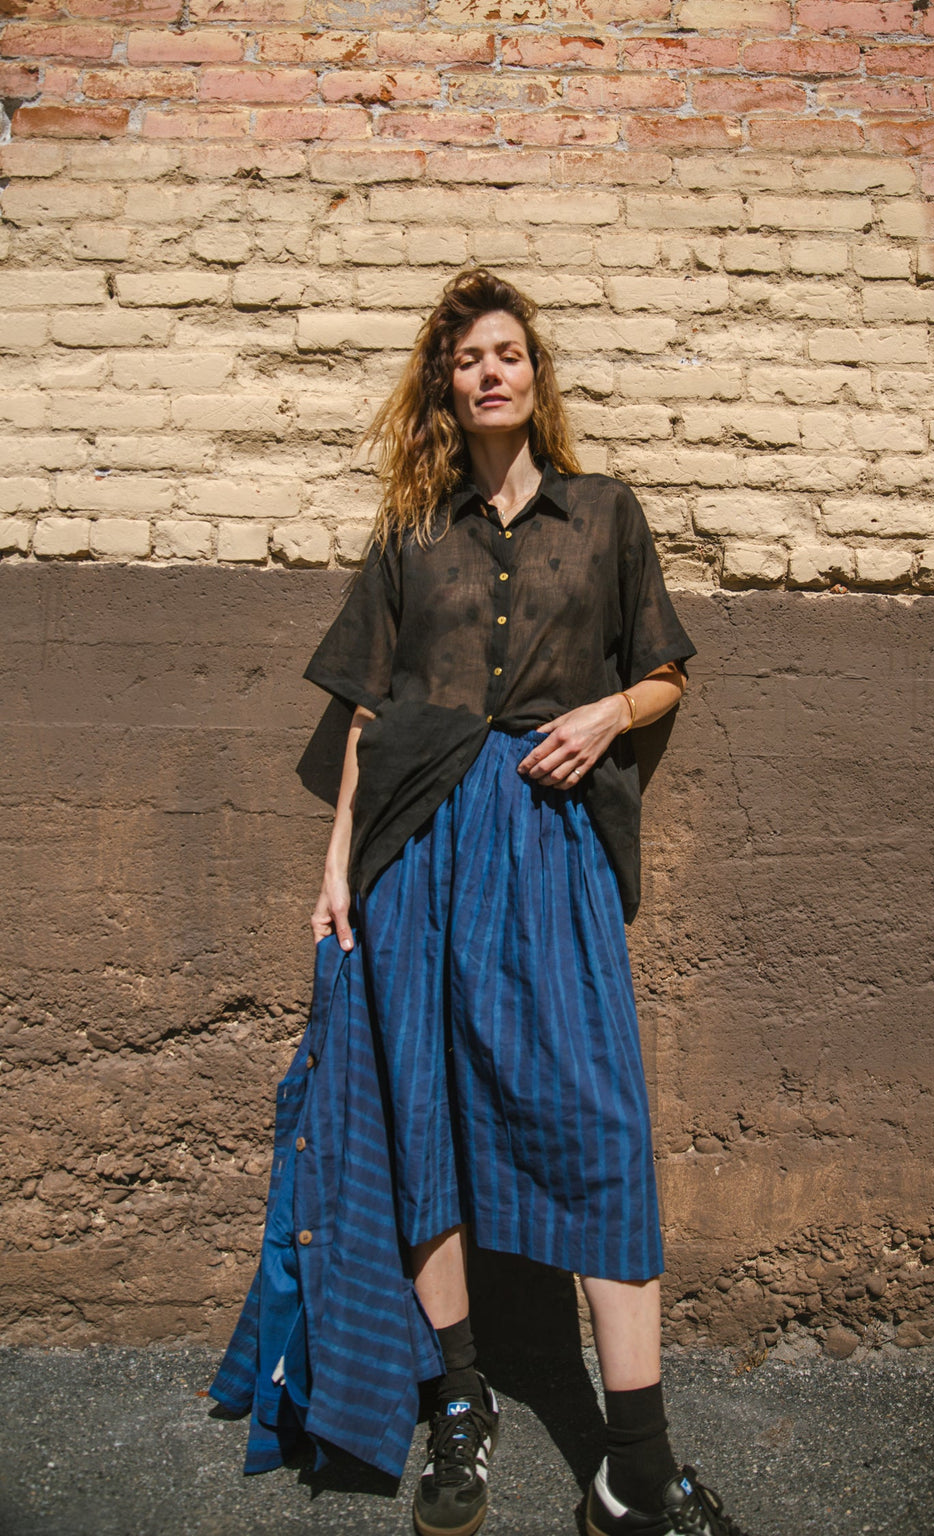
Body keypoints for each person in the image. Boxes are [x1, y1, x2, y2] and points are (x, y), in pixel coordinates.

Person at [211, 269, 747, 1536]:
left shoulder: (605, 515)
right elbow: (363, 713)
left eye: (509, 352)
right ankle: (459, 1399)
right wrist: (340, 868)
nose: (491, 371)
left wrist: (608, 711)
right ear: (445, 385)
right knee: (425, 1120)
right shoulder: (409, 531)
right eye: (468, 359)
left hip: (551, 843)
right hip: (418, 851)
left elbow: (664, 669)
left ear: (535, 373)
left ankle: (637, 1459)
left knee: (601, 1124)